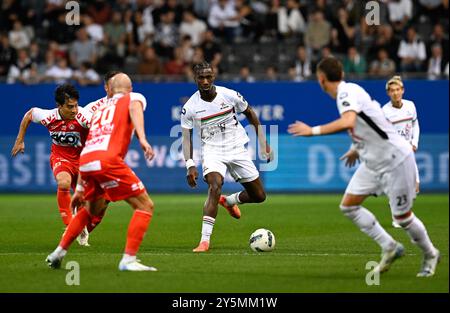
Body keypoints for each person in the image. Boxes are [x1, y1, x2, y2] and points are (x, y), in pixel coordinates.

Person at [288, 57, 439, 277]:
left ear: (321, 80)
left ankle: (430, 254)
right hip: (372, 161)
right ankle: (390, 247)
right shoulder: (349, 91)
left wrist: (313, 130)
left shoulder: (346, 93)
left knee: (403, 217)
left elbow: (349, 121)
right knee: (349, 206)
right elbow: (367, 125)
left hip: (395, 159)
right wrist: (355, 148)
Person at [46, 73, 157, 272]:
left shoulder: (98, 110)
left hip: (87, 160)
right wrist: (142, 137)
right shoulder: (134, 97)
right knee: (145, 205)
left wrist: (80, 187)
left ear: (110, 89)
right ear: (129, 89)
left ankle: (58, 253)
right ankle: (128, 260)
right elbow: (134, 107)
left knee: (90, 210)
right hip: (108, 160)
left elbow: (87, 146)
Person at [181, 61, 273, 253]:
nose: (205, 81)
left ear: (213, 76)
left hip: (237, 148)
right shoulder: (190, 107)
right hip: (212, 151)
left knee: (259, 196)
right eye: (201, 78)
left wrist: (264, 142)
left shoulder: (229, 95)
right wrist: (190, 164)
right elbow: (186, 138)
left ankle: (229, 201)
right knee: (215, 185)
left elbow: (249, 113)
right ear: (195, 79)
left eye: (208, 77)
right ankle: (204, 241)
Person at [11, 83, 92, 246]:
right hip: (61, 157)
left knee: (87, 200)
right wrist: (20, 140)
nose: (74, 110)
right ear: (59, 106)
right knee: (63, 182)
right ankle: (70, 226)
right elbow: (29, 114)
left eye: (76, 105)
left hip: (83, 160)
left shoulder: (84, 118)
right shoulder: (48, 117)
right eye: (70, 106)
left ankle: (79, 221)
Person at [382, 75, 421, 228]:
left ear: (403, 91)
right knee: (396, 185)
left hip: (408, 152)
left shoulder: (410, 106)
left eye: (398, 90)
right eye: (392, 91)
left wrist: (414, 142)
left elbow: (415, 125)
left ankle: (397, 206)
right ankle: (397, 217)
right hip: (393, 153)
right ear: (388, 93)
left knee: (414, 189)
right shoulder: (384, 111)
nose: (395, 93)